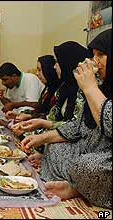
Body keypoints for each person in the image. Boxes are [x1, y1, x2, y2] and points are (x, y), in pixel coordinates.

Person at [20, 29, 112, 209]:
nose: (95, 61)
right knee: (54, 150)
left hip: (105, 160)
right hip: (88, 150)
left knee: (88, 165)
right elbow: (78, 126)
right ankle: (79, 186)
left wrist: (90, 88)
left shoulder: (93, 87)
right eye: (94, 55)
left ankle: (78, 187)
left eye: (101, 54)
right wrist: (42, 138)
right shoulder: (103, 86)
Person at [6, 55, 61, 122]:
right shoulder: (48, 89)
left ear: (48, 70)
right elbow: (40, 110)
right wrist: (23, 115)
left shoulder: (59, 91)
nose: (37, 73)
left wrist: (30, 118)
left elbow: (50, 118)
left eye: (40, 70)